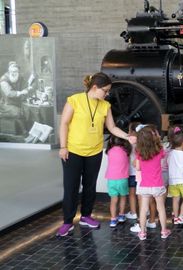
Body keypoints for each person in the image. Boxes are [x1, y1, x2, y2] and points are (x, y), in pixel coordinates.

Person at [57, 72, 133, 237]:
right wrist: (63, 146)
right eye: (105, 91)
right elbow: (63, 123)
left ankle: (85, 216)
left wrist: (128, 136)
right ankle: (68, 222)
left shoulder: (105, 106)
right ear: (94, 87)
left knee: (90, 186)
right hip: (73, 151)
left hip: (94, 151)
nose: (107, 94)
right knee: (71, 187)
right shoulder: (74, 100)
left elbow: (112, 128)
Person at [134, 124, 170, 240]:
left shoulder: (139, 153)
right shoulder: (159, 151)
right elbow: (163, 154)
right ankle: (164, 231)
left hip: (144, 185)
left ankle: (142, 232)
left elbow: (138, 168)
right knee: (161, 208)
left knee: (143, 209)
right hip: (157, 185)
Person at [105, 135, 131, 227]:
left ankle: (113, 219)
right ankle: (121, 215)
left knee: (113, 200)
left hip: (111, 179)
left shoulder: (109, 151)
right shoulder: (126, 151)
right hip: (122, 179)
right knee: (123, 197)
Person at [167, 126, 183, 225]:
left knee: (175, 199)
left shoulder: (170, 153)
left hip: (173, 182)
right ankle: (182, 217)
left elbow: (168, 164)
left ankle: (176, 217)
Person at [0, 61, 32, 135]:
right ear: (8, 71)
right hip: (6, 104)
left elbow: (26, 86)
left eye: (15, 71)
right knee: (18, 112)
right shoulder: (3, 80)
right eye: (11, 71)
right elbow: (9, 93)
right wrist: (21, 92)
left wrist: (27, 89)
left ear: (18, 71)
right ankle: (24, 132)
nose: (13, 73)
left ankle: (30, 130)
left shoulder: (20, 77)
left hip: (18, 102)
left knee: (28, 111)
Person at [125, 121, 141, 220]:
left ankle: (133, 212)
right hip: (141, 172)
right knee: (141, 194)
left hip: (131, 172)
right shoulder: (142, 142)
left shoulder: (128, 143)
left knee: (132, 193)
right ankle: (145, 210)